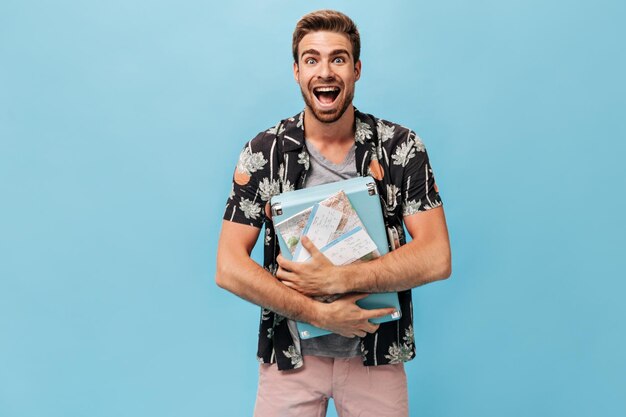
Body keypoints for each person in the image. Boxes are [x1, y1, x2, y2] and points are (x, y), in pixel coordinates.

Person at [216, 9, 451, 417]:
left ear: (357, 69)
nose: (325, 71)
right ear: (296, 71)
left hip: (376, 353)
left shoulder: (400, 147)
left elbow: (437, 256)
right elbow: (228, 265)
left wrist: (340, 278)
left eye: (338, 59)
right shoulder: (263, 152)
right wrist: (319, 313)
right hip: (290, 358)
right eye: (312, 59)